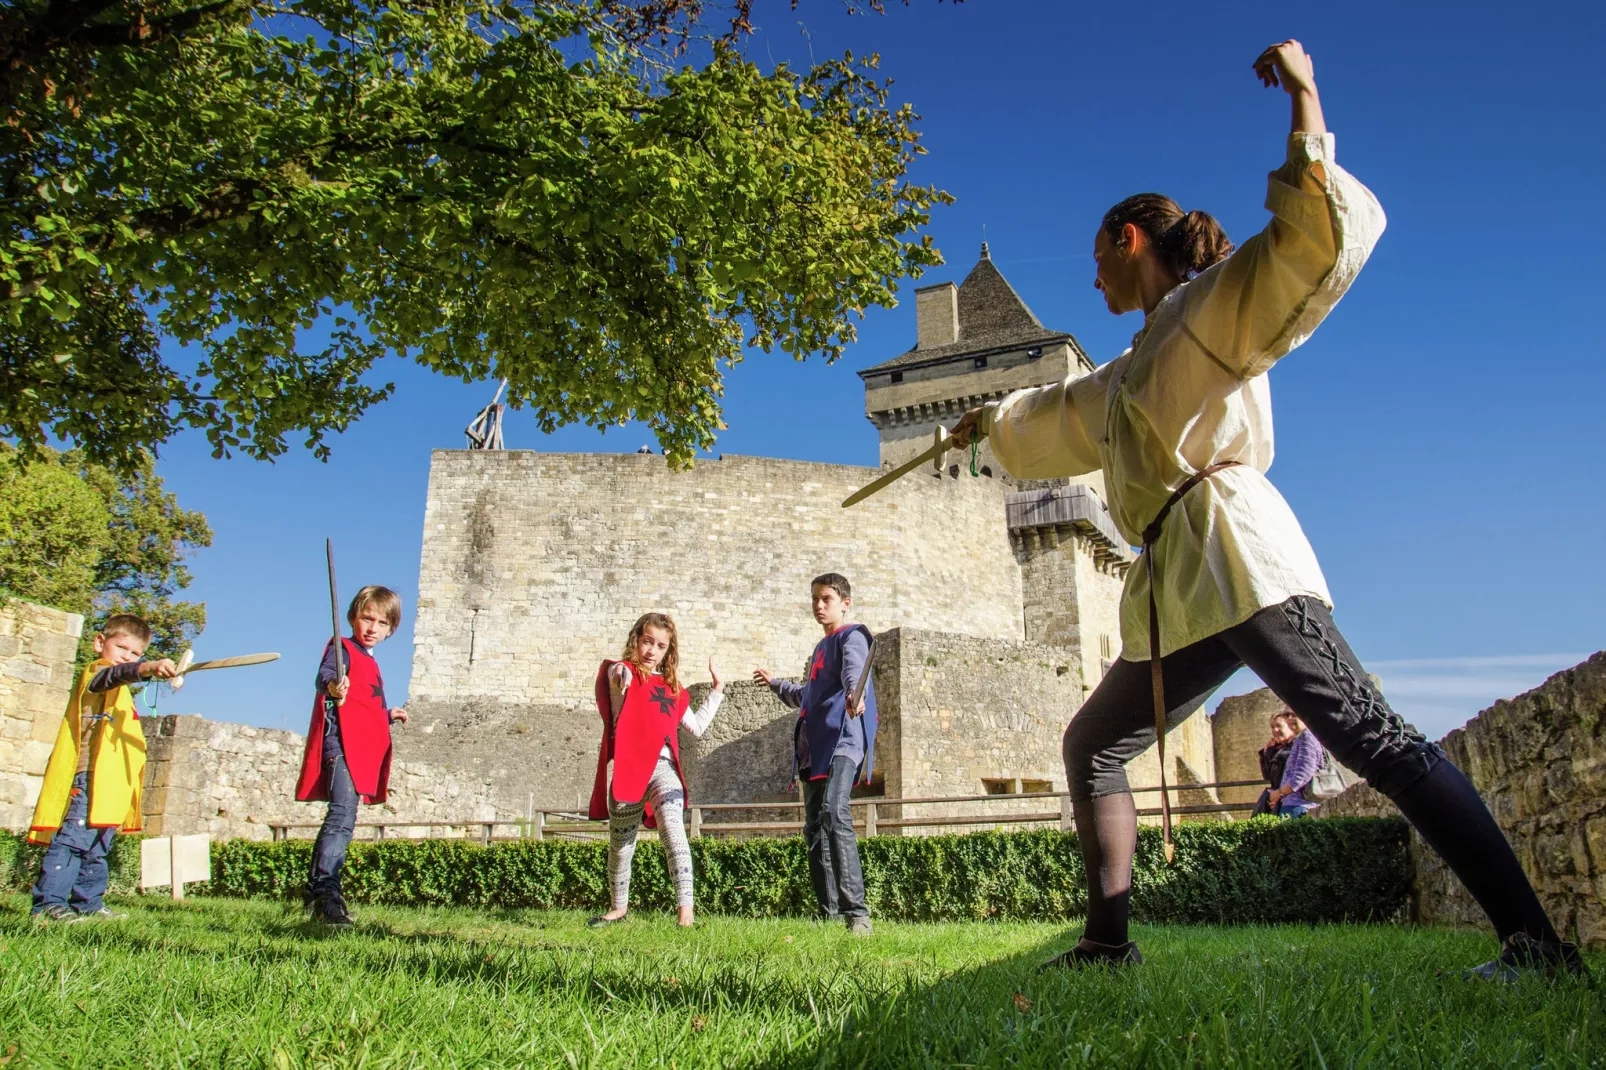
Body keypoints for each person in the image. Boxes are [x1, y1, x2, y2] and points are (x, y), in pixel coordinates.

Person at [945, 40, 1582, 980]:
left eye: (1096, 262)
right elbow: (1050, 420)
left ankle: (1536, 945)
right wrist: (982, 425)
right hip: (1178, 585)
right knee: (1094, 742)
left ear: (1130, 241)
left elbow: (1304, 248)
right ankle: (1107, 945)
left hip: (1237, 554)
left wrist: (1306, 100)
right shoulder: (1127, 373)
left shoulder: (1209, 307)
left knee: (1370, 735)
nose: (1091, 285)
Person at [28, 614, 178, 922]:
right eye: (122, 647)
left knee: (98, 844)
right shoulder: (95, 672)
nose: (128, 656)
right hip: (90, 774)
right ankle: (48, 905)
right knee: (73, 839)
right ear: (100, 642)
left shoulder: (122, 693)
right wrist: (146, 668)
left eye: (137, 654)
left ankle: (89, 904)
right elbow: (110, 676)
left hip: (112, 782)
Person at [754, 573, 878, 935]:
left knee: (835, 812)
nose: (819, 606)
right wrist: (776, 683)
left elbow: (854, 675)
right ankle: (829, 913)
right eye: (814, 600)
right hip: (812, 746)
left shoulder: (852, 636)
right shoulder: (821, 648)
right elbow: (807, 695)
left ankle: (858, 914)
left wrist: (856, 695)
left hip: (842, 740)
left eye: (826, 599)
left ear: (845, 602)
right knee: (813, 827)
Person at [587, 612, 724, 928]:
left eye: (660, 646)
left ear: (668, 651)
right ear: (636, 640)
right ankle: (618, 909)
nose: (652, 651)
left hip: (663, 770)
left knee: (674, 832)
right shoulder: (622, 674)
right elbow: (619, 676)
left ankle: (685, 914)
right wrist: (622, 672)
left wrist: (717, 689)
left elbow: (697, 727)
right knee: (621, 845)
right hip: (629, 770)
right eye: (647, 641)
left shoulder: (672, 689)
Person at [294, 585, 409, 927]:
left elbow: (363, 708)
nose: (372, 627)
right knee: (341, 817)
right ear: (353, 618)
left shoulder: (370, 663)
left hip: (357, 748)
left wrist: (387, 714)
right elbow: (326, 675)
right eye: (366, 618)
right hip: (340, 746)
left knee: (346, 817)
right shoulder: (341, 648)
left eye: (381, 622)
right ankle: (325, 893)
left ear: (391, 629)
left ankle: (320, 890)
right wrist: (332, 686)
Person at [1266, 711, 1323, 817]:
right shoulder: (1301, 739)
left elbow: (1302, 775)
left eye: (1294, 714)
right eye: (1287, 715)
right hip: (1292, 804)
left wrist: (1278, 794)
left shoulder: (1307, 737)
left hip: (1300, 805)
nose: (1290, 718)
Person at [1252, 712, 1296, 817]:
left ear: (1291, 727)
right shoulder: (1277, 750)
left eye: (1279, 726)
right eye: (1272, 727)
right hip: (1277, 798)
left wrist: (1279, 797)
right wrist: (1266, 753)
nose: (1275, 730)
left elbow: (1297, 778)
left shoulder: (1294, 748)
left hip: (1289, 798)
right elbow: (1268, 776)